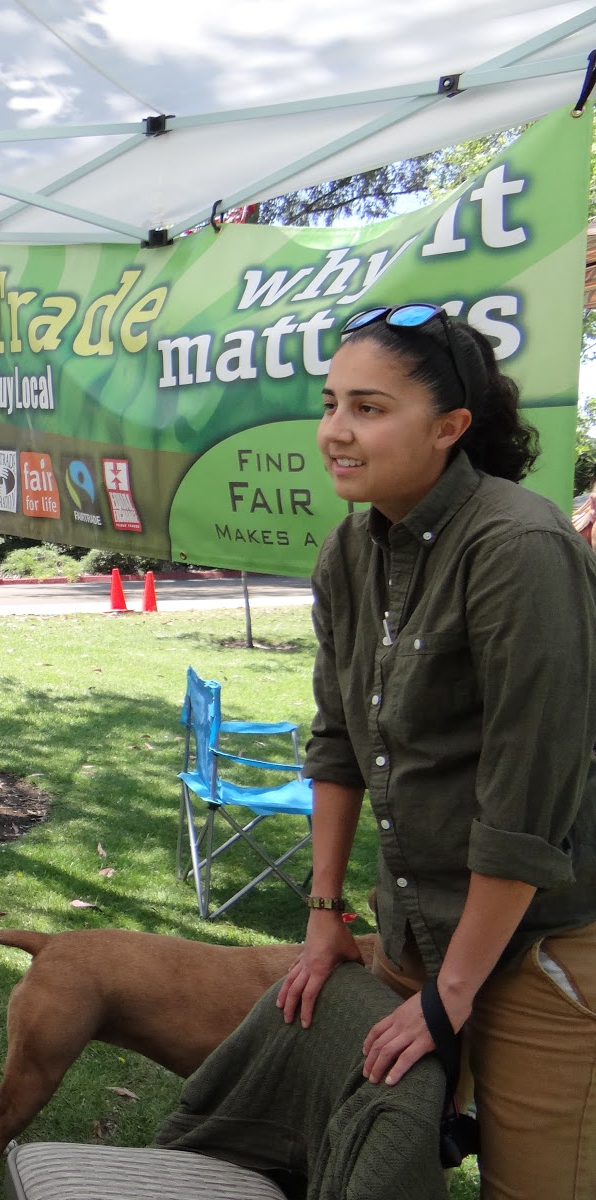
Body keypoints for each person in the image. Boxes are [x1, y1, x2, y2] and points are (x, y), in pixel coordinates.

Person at [275, 305, 596, 1198]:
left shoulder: (520, 546)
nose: (336, 430)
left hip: (541, 945)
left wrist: (452, 996)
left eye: (369, 408)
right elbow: (337, 743)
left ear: (451, 427)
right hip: (418, 928)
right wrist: (324, 913)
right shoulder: (350, 550)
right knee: (385, 1165)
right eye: (331, 403)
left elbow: (526, 805)